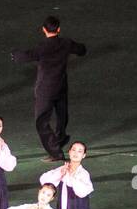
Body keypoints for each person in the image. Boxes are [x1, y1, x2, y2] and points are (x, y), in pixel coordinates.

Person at [10, 15, 86, 161]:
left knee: (41, 121)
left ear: (43, 30)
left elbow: (24, 57)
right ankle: (61, 136)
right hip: (61, 85)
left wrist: (14, 53)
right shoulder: (66, 43)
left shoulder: (42, 47)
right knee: (61, 114)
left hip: (46, 88)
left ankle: (55, 151)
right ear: (58, 29)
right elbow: (81, 49)